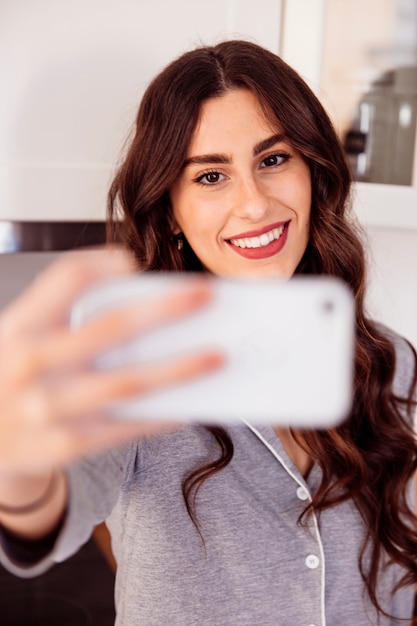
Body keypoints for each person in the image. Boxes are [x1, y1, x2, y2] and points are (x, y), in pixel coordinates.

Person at [0, 39, 416, 626]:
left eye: (273, 160)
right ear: (171, 210)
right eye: (211, 175)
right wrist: (17, 467)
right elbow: (51, 506)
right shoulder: (131, 356)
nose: (254, 205)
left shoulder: (391, 360)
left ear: (314, 171)